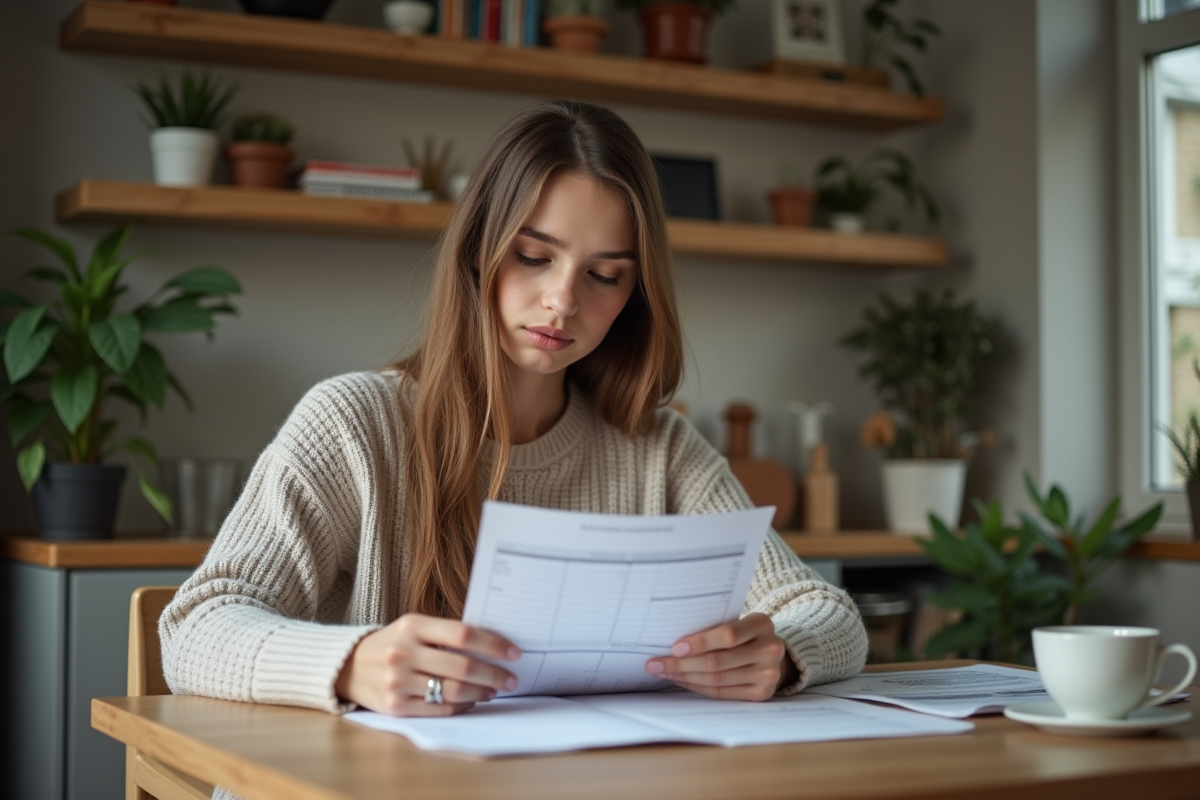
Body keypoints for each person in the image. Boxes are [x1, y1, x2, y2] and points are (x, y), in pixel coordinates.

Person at [160, 100, 867, 728]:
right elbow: (194, 628)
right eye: (534, 256)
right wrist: (353, 662)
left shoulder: (660, 449)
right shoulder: (352, 423)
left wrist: (782, 654)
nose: (563, 300)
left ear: (634, 293)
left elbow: (826, 611)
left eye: (605, 275)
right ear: (479, 252)